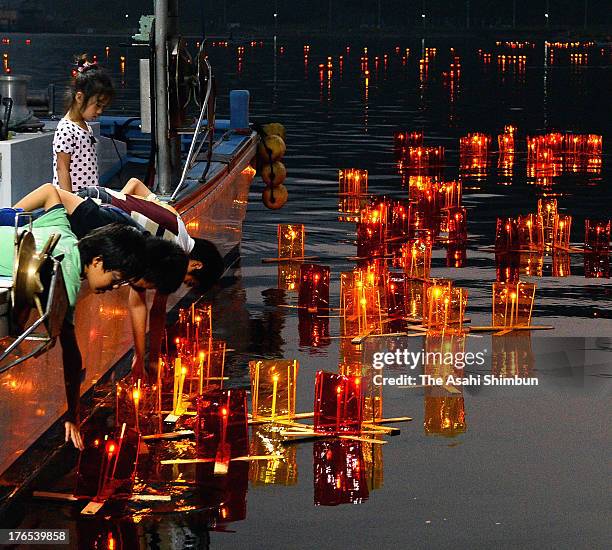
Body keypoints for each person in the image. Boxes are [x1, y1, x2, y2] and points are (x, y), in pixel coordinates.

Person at [14, 181, 224, 381]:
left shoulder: (163, 249)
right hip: (84, 208)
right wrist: (8, 218)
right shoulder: (135, 241)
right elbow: (52, 193)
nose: (114, 287)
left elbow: (134, 186)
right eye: (116, 279)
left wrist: (148, 358)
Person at [0, 202, 145, 450]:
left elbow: (52, 198)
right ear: (98, 261)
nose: (114, 287)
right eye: (116, 279)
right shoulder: (66, 273)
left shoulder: (64, 231)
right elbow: (72, 355)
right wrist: (73, 416)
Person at [52, 55, 114, 192]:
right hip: (73, 200)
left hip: (88, 197)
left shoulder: (85, 127)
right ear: (79, 97)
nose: (99, 111)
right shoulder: (66, 129)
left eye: (103, 107)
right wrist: (70, 203)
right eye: (97, 105)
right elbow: (62, 169)